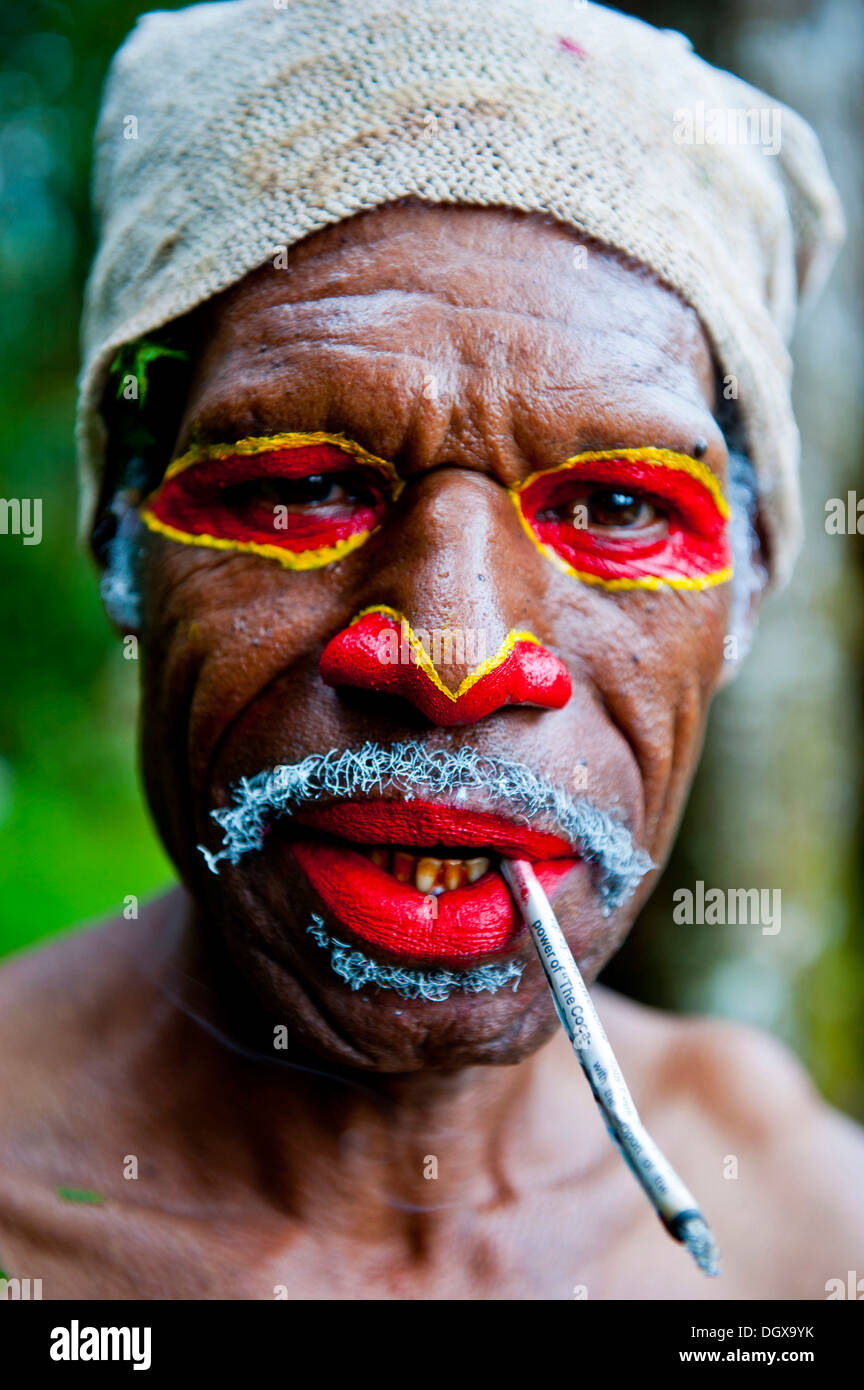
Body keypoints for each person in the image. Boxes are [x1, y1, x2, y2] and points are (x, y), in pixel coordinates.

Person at [1, 0, 861, 1300]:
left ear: (743, 597)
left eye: (616, 508)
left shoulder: (803, 1233)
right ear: (123, 537)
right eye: (295, 487)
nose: (454, 654)